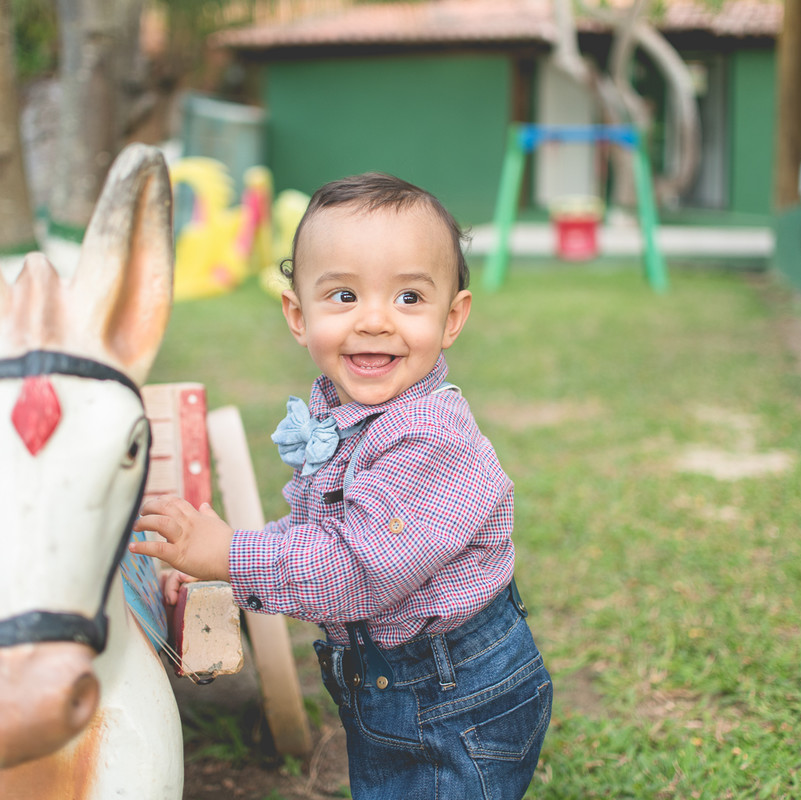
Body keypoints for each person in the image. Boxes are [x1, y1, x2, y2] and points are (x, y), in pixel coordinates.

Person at [132, 173, 552, 799]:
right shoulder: (342, 409)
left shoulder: (430, 437)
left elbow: (357, 571)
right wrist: (221, 570)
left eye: (409, 297)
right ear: (298, 315)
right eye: (344, 296)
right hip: (394, 687)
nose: (376, 321)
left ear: (453, 316)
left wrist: (229, 555)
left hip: (459, 702)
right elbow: (318, 536)